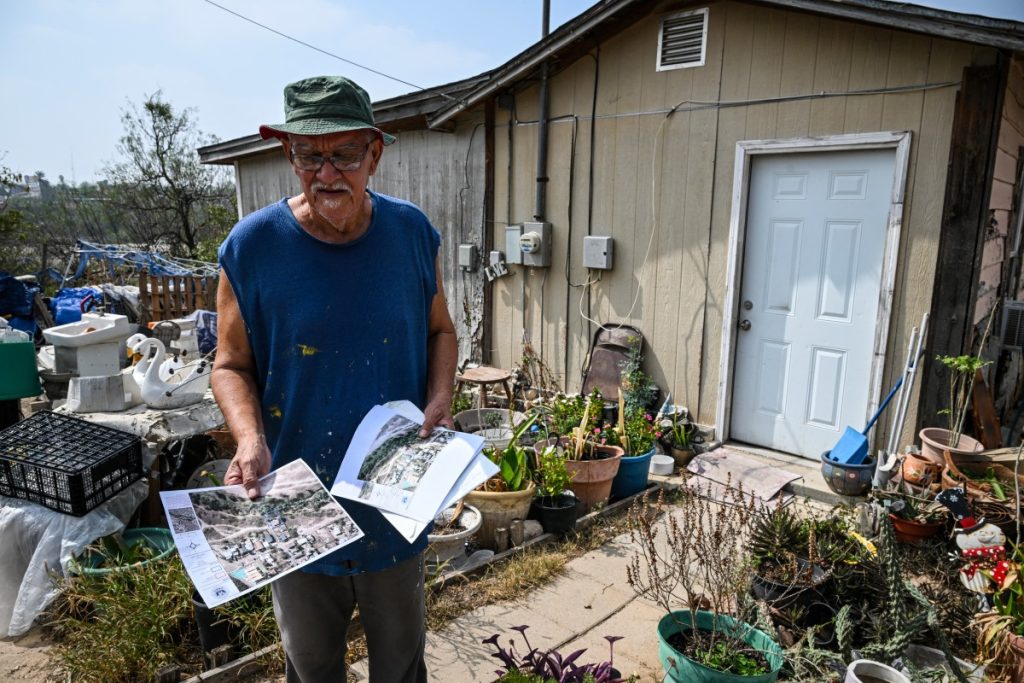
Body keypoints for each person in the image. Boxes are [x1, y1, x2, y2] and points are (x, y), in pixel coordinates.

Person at [211, 74, 457, 683]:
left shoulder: (412, 235)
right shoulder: (251, 248)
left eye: (344, 153)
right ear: (289, 155)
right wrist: (247, 438)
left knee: (400, 664)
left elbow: (440, 332)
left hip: (395, 498)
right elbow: (230, 365)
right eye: (308, 155)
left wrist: (441, 394)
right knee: (311, 665)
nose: (326, 173)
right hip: (297, 499)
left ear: (374, 152)